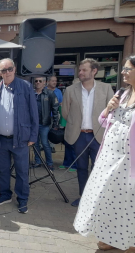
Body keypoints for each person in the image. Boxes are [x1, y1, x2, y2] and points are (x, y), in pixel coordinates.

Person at [74, 56, 135, 252]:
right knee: (108, 199)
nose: (123, 72)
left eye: (127, 69)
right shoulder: (122, 93)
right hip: (109, 155)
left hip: (128, 159)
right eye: (124, 69)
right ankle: (109, 237)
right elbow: (102, 121)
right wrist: (108, 108)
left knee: (128, 201)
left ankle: (129, 241)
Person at [62, 58, 114, 207]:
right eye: (80, 70)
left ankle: (97, 199)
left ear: (94, 71)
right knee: (81, 168)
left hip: (98, 135)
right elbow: (66, 112)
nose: (81, 72)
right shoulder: (71, 90)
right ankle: (83, 197)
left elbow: (111, 112)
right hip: (79, 136)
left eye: (84, 70)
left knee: (99, 168)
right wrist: (76, 124)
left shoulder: (106, 88)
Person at [0, 58, 38, 214]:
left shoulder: (25, 87)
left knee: (22, 171)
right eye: (4, 70)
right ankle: (5, 194)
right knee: (3, 170)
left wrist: (33, 135)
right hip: (1, 139)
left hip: (21, 139)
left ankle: (22, 199)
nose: (7, 72)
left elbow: (34, 113)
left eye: (10, 69)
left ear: (15, 69)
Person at [32, 76, 59, 171]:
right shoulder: (31, 93)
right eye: (36, 81)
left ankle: (49, 163)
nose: (38, 82)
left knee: (45, 143)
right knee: (35, 144)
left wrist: (55, 124)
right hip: (33, 124)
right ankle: (38, 161)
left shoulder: (50, 93)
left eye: (40, 81)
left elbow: (55, 109)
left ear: (44, 83)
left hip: (44, 124)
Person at [47, 76, 62, 153]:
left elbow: (61, 103)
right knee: (45, 131)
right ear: (48, 82)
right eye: (53, 81)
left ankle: (52, 147)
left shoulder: (58, 91)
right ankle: (43, 145)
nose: (54, 82)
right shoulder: (44, 90)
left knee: (53, 131)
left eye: (55, 81)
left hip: (55, 115)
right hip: (46, 116)